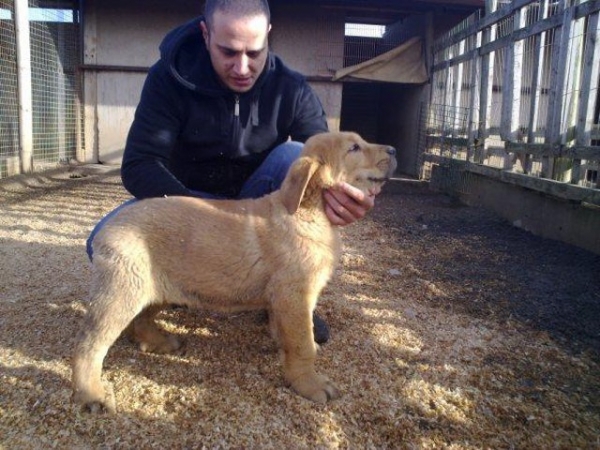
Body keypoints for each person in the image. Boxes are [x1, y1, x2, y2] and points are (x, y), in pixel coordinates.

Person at [87, 0, 382, 344]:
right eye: (228, 52)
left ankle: (290, 290)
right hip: (190, 200)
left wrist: (347, 197)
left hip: (258, 203)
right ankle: (188, 282)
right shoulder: (168, 78)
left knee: (294, 154)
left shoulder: (292, 87)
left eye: (254, 52)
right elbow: (139, 164)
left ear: (269, 35)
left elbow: (327, 161)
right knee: (101, 242)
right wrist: (200, 218)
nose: (243, 67)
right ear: (205, 33)